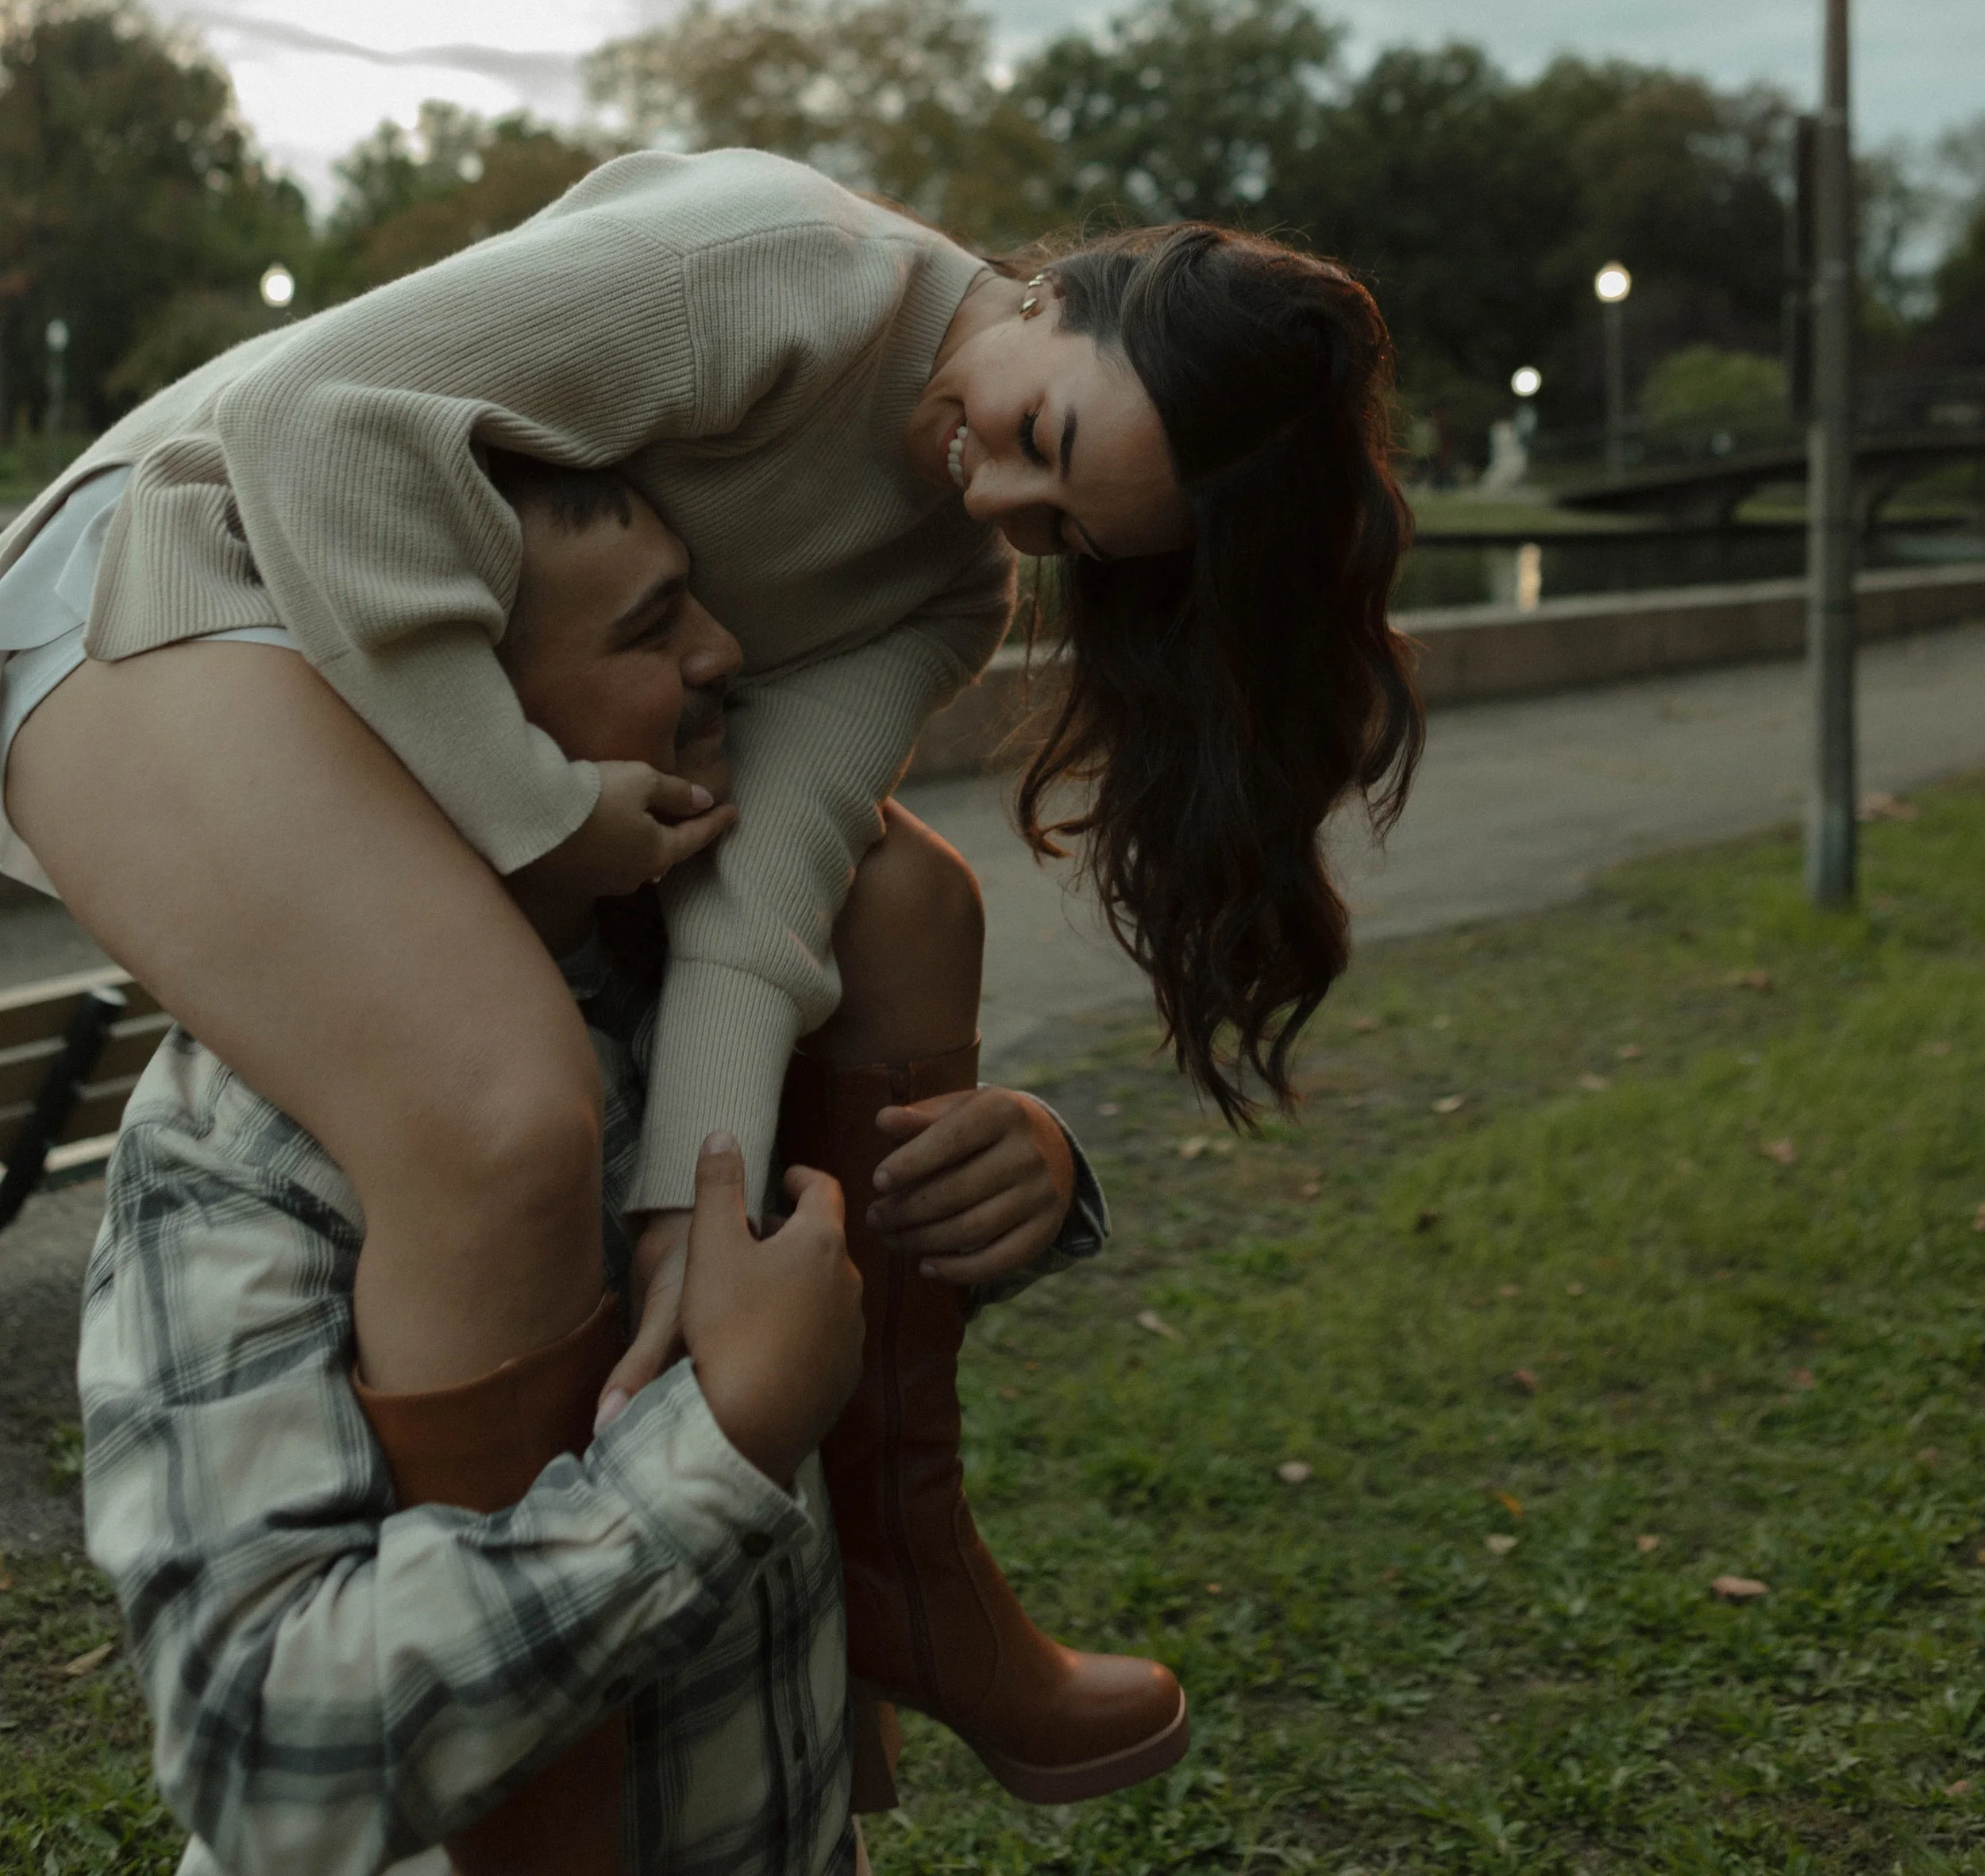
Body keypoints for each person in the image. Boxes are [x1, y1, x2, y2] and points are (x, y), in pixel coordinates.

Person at [3, 147, 1418, 1822]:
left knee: (899, 901)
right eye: (1041, 442)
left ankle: (902, 1572)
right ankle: (534, 1815)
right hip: (179, 546)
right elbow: (317, 423)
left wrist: (701, 1206)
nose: (996, 510)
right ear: (1062, 291)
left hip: (413, 615)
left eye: (1061, 532)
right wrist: (535, 811)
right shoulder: (776, 272)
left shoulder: (946, 591)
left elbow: (766, 898)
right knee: (498, 1111)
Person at [78, 483, 1114, 1873]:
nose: (724, 649)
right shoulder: (247, 1129)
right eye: (647, 629)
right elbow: (260, 1743)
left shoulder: (704, 980)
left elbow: (835, 1320)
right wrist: (723, 1440)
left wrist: (1020, 1177)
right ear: (466, 727)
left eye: (697, 589)